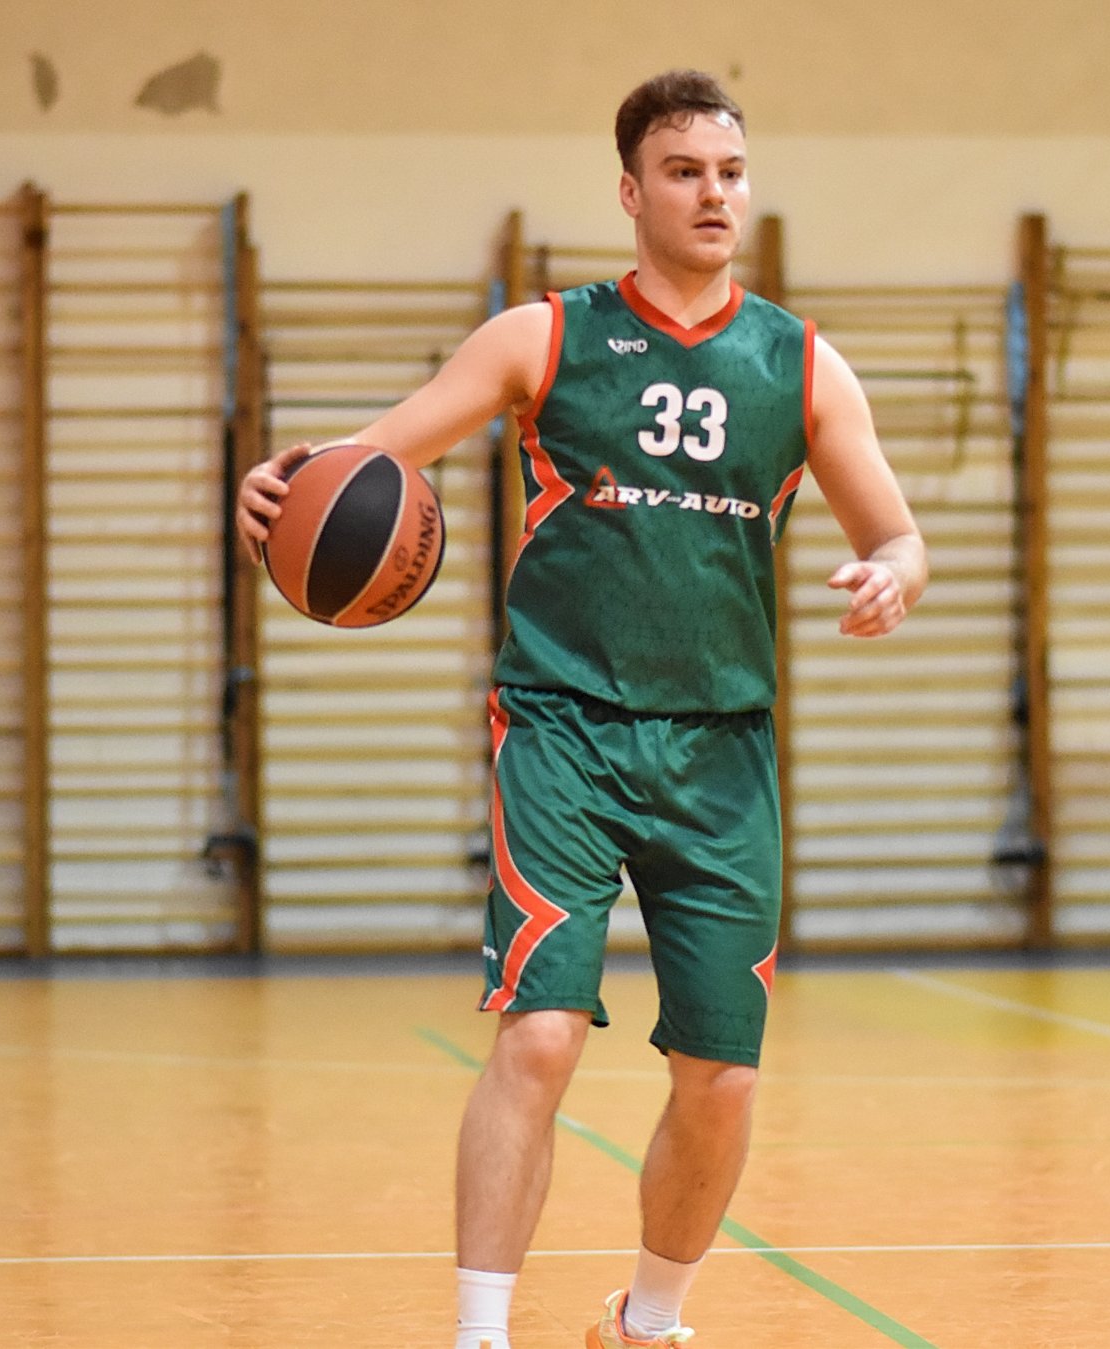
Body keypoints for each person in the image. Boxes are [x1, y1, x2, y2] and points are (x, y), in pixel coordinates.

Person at [237, 70, 926, 1349]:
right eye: (683, 171)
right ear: (629, 192)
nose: (712, 193)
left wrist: (893, 573)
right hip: (562, 730)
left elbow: (896, 532)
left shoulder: (801, 365)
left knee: (720, 1079)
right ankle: (480, 1334)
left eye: (729, 172)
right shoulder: (543, 338)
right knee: (543, 1036)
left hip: (720, 752)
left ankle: (645, 1324)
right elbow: (367, 460)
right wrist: (279, 488)